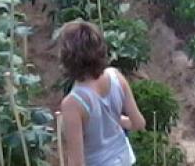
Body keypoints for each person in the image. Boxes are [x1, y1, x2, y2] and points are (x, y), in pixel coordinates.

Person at [59, 20, 146, 166]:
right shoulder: (115, 76)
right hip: (125, 160)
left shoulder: (73, 103)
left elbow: (77, 163)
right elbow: (139, 123)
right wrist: (117, 120)